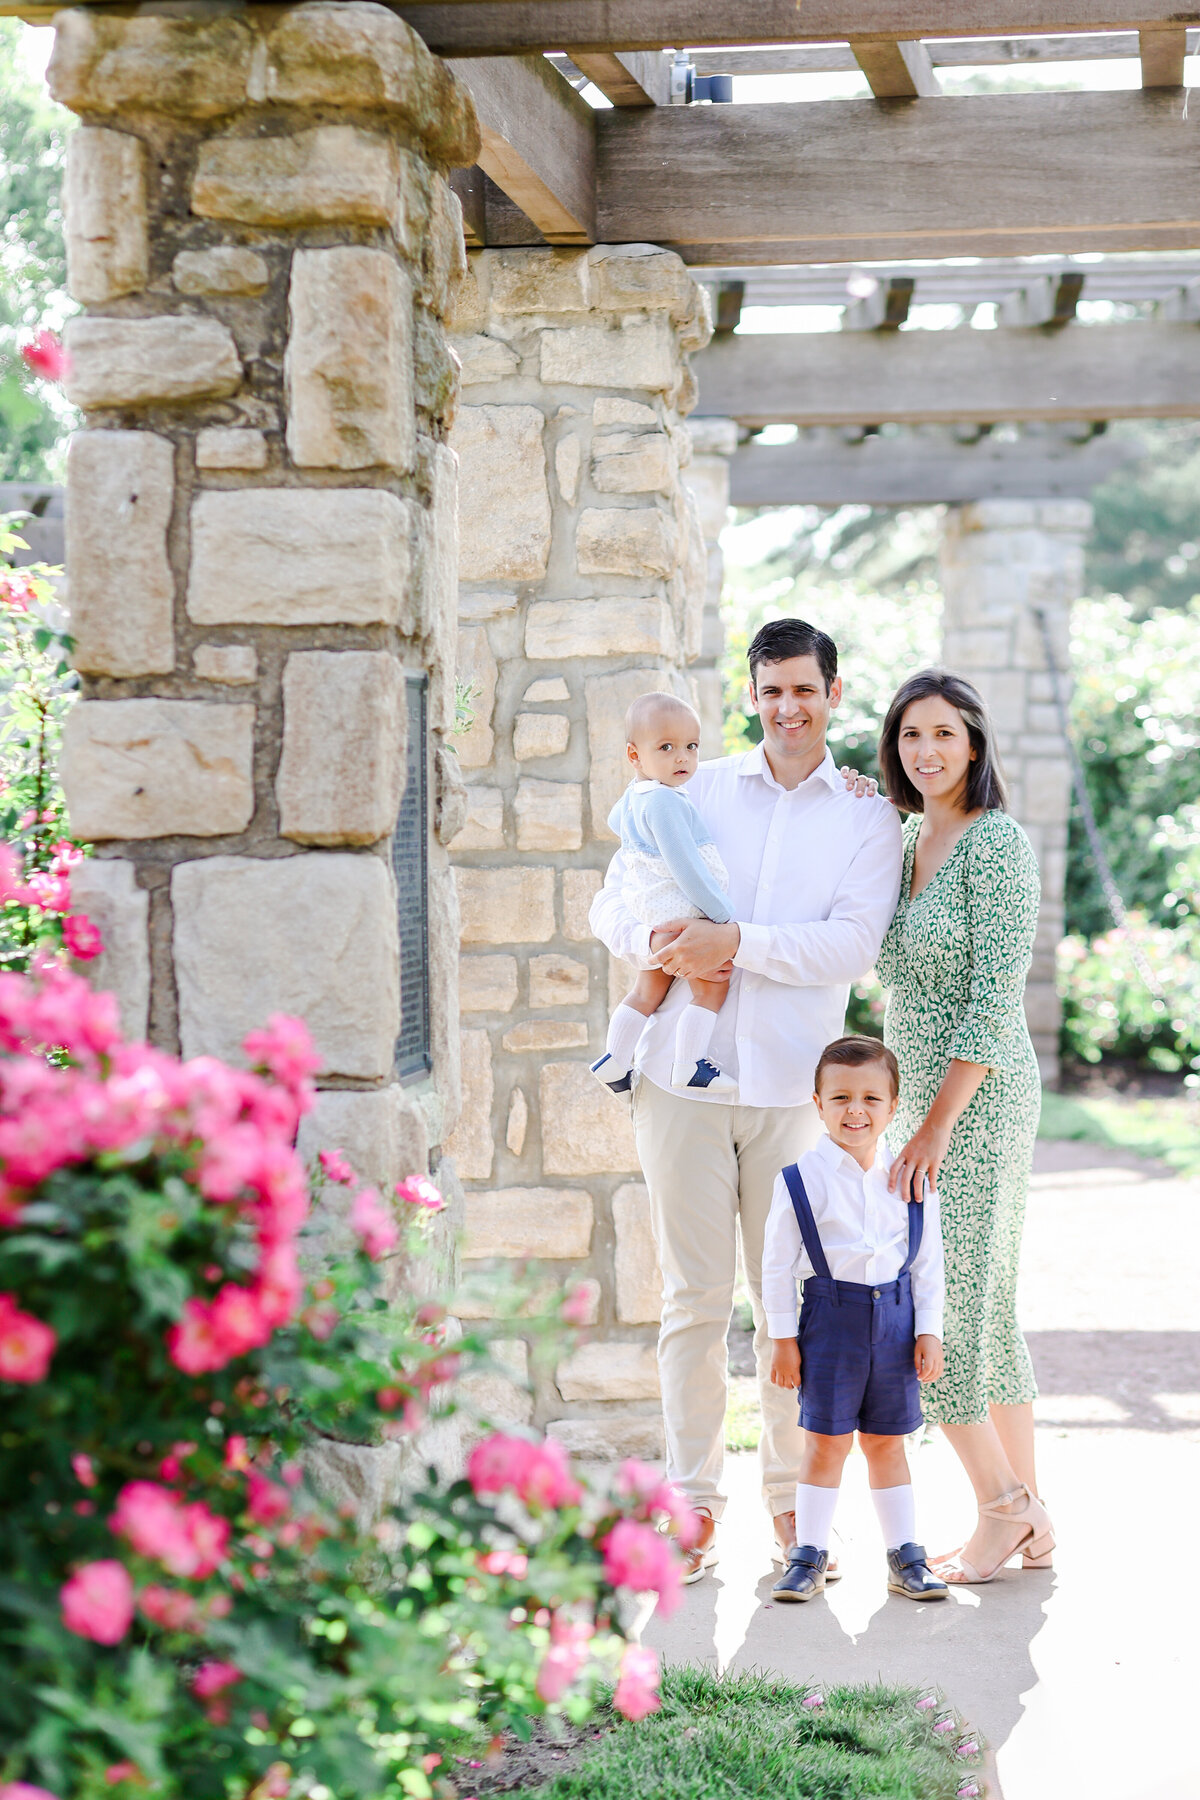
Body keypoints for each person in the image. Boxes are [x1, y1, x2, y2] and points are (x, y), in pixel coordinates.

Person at [589, 618, 903, 1581]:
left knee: (799, 1307)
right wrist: (653, 939)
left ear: (833, 694)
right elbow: (614, 897)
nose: (787, 707)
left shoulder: (865, 816)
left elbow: (851, 946)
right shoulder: (695, 785)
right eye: (770, 691)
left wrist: (737, 944)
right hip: (681, 1084)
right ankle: (689, 1504)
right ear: (753, 696)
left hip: (792, 1097)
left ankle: (790, 1509)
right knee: (690, 1298)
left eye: (804, 689)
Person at [873, 668, 1055, 1583]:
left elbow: (990, 1006)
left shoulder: (999, 847)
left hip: (973, 1104)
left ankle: (1002, 1510)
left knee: (935, 1324)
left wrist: (933, 1129)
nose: (928, 751)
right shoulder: (905, 837)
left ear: (974, 744)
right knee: (988, 1310)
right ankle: (1036, 1518)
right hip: (918, 1102)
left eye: (944, 734)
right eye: (911, 736)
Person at [763, 1035, 948, 1604]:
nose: (855, 1110)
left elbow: (927, 1265)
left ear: (893, 1106)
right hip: (828, 1320)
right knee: (825, 1442)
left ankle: (905, 1555)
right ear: (817, 1104)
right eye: (840, 1097)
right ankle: (809, 1554)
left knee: (888, 1444)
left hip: (895, 1323)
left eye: (871, 1098)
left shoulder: (910, 1178)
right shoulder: (799, 1179)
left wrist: (928, 1332)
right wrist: (783, 1341)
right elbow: (774, 1267)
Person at [590, 693, 738, 1099]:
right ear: (634, 754)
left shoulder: (636, 795)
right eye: (666, 748)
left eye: (691, 746)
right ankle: (689, 1065)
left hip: (654, 912)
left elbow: (613, 821)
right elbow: (687, 867)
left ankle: (615, 1058)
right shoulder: (665, 802)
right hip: (683, 911)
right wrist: (721, 918)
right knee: (712, 986)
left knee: (647, 990)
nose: (682, 759)